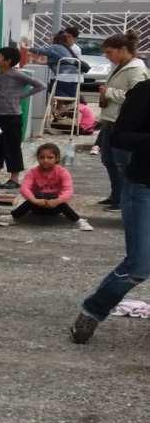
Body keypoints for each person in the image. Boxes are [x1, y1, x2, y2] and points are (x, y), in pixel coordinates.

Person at [71, 79, 150, 343]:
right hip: (144, 187)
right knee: (139, 264)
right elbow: (119, 136)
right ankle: (93, 309)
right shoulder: (144, 91)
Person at [95, 31, 149, 211]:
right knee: (108, 159)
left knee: (122, 162)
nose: (107, 56)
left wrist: (109, 93)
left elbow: (135, 98)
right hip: (110, 119)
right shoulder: (118, 66)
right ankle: (115, 195)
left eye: (110, 52)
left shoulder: (136, 69)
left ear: (123, 49)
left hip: (122, 121)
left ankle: (122, 199)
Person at [0, 142, 93, 231]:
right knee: (30, 201)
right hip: (38, 204)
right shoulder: (33, 172)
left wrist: (57, 201)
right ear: (38, 158)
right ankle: (12, 217)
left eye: (50, 157)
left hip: (55, 205)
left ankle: (78, 221)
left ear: (57, 158)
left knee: (63, 204)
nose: (45, 160)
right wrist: (35, 200)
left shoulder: (63, 172)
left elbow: (68, 191)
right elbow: (24, 188)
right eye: (41, 157)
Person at [0, 46, 45, 189]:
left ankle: (14, 178)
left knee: (12, 147)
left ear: (8, 61)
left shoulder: (17, 75)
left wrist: (21, 96)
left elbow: (40, 85)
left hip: (12, 117)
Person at [28, 31, 81, 99]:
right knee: (70, 95)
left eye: (51, 38)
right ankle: (68, 103)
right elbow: (58, 61)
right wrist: (40, 62)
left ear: (55, 39)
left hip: (64, 76)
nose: (49, 40)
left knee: (47, 87)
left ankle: (67, 102)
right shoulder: (66, 48)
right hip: (74, 78)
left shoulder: (55, 47)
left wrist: (28, 48)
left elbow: (42, 51)